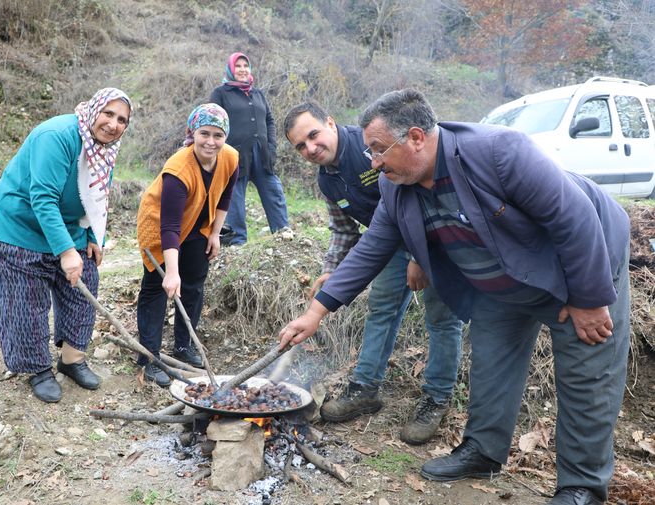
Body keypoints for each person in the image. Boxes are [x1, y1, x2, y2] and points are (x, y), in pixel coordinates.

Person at [279, 89, 630, 505]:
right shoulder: (396, 186)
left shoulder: (499, 151)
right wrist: (316, 312)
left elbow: (575, 219)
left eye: (378, 150)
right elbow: (371, 248)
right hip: (502, 281)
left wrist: (590, 298)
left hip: (577, 268)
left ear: (415, 138)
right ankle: (482, 450)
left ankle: (581, 486)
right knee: (491, 360)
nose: (372, 163)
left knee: (587, 375)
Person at [283, 101, 464, 444]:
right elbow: (344, 231)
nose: (310, 148)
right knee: (381, 307)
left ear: (331, 123)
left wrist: (418, 256)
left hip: (437, 238)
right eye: (300, 146)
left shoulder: (370, 147)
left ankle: (436, 398)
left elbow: (417, 189)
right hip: (388, 242)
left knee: (442, 318)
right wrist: (332, 272)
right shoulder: (327, 180)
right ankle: (365, 388)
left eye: (313, 135)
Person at [0, 87, 133, 403]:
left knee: (84, 280)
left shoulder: (105, 148)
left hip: (66, 225)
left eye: (122, 119)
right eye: (108, 114)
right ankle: (38, 369)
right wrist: (65, 252)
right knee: (25, 301)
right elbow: (43, 198)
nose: (114, 124)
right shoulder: (57, 136)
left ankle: (72, 359)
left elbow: (98, 194)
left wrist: (93, 237)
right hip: (18, 224)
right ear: (93, 110)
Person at [136, 103, 238, 386]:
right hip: (160, 227)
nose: (211, 141)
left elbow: (226, 195)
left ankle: (183, 346)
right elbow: (169, 226)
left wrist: (215, 233)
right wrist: (170, 272)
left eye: (218, 135)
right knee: (157, 289)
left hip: (199, 222)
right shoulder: (177, 170)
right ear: (191, 132)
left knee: (193, 283)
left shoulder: (230, 157)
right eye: (204, 133)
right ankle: (149, 358)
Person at [209, 51, 289, 246]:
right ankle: (237, 242)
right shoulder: (221, 93)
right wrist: (220, 151)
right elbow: (212, 122)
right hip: (234, 155)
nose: (242, 70)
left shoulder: (257, 93)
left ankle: (283, 234)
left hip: (262, 154)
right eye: (238, 66)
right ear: (230, 69)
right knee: (234, 198)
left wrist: (271, 147)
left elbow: (269, 120)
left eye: (246, 66)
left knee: (273, 191)